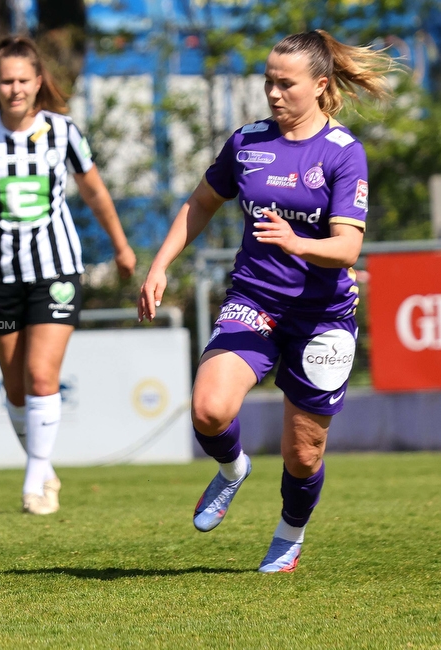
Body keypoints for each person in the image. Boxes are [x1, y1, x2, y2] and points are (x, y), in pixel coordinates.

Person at [138, 30, 394, 572]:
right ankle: (232, 471)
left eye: (286, 84)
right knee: (208, 410)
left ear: (320, 86)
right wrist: (160, 265)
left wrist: (298, 242)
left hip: (322, 315)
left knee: (303, 455)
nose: (274, 94)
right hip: (255, 299)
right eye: (268, 83)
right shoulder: (247, 142)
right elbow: (200, 202)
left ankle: (289, 534)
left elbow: (348, 246)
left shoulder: (344, 154)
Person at [0, 36, 136, 515]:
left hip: (56, 270)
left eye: (24, 79)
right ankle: (43, 468)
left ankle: (33, 484)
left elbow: (96, 194)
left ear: (39, 81)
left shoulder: (63, 132)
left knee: (42, 375)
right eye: (6, 80)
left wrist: (122, 246)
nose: (15, 89)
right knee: (17, 386)